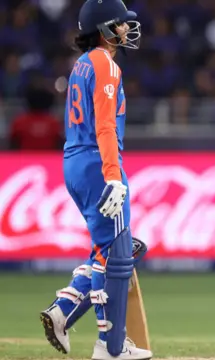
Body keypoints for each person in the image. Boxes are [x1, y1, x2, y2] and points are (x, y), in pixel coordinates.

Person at [38, 1, 151, 359]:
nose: (126, 30)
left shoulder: (82, 66)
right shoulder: (106, 64)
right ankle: (111, 346)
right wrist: (114, 177)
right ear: (104, 29)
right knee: (116, 258)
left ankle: (64, 310)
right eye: (119, 24)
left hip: (76, 162)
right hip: (98, 163)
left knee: (115, 250)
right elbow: (104, 125)